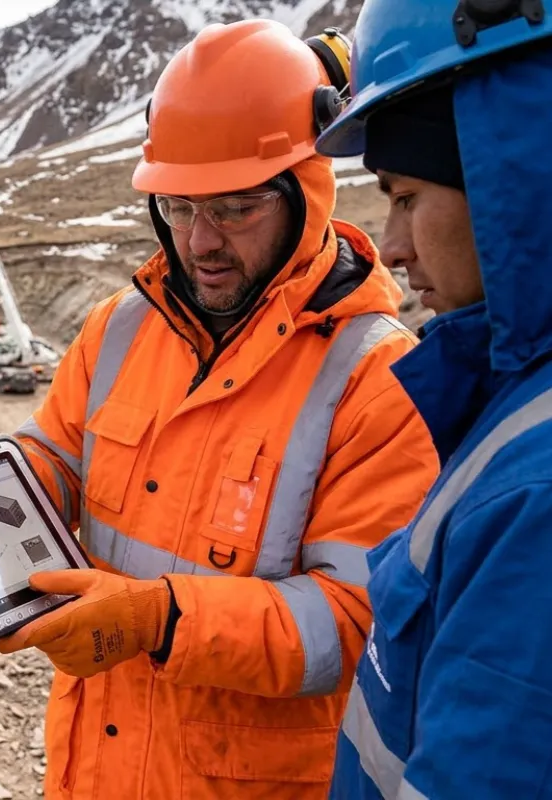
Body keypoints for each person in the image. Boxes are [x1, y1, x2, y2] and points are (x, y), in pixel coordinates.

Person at [0, 19, 438, 799]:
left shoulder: (377, 378)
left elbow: (350, 627)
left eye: (235, 208)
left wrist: (159, 619)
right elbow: (59, 458)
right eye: (179, 206)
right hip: (94, 767)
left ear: (308, 191)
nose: (199, 242)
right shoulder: (120, 326)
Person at [314, 2, 552, 798]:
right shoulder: (509, 402)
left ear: (515, 174)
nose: (391, 243)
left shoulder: (537, 490)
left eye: (406, 194)